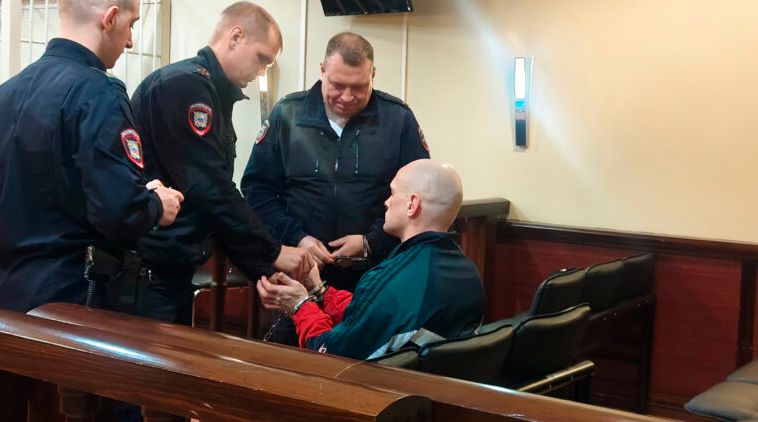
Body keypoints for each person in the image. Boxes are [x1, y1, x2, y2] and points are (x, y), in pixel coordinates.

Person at [130, 2, 312, 325]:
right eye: (261, 59)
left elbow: (214, 201)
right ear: (236, 36)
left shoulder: (210, 91)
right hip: (150, 270)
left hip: (173, 265)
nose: (261, 72)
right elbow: (209, 188)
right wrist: (272, 252)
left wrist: (263, 268)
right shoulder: (183, 86)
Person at [0, 0, 184, 313]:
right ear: (110, 18)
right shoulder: (99, 93)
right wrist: (156, 205)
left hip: (8, 296)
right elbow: (118, 210)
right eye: (131, 24)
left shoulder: (8, 92)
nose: (130, 40)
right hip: (67, 298)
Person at [241, 32, 430, 292]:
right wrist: (297, 237)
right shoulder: (287, 113)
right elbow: (257, 190)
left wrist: (371, 243)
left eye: (359, 87)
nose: (347, 96)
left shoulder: (398, 119)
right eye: (338, 85)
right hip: (300, 273)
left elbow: (418, 196)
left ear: (373, 74)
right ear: (322, 71)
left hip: (376, 276)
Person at [256, 159, 485, 360]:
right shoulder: (468, 273)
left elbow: (328, 353)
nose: (386, 202)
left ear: (412, 204)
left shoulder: (395, 280)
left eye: (393, 193)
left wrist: (299, 305)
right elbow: (373, 315)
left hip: (381, 388)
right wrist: (320, 290)